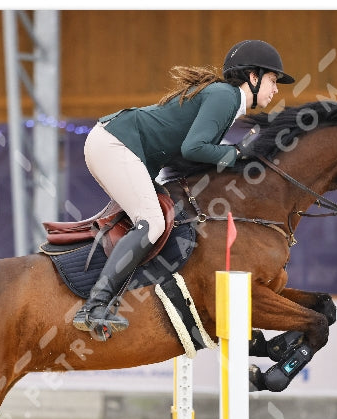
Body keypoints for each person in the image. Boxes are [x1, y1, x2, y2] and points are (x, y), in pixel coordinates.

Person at [73, 40, 295, 341]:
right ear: (253, 78)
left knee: (159, 219)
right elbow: (193, 148)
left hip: (115, 144)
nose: (276, 89)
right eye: (272, 80)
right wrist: (236, 154)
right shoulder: (226, 96)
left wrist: (232, 156)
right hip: (115, 144)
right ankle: (95, 305)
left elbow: (190, 151)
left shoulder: (226, 100)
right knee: (152, 222)